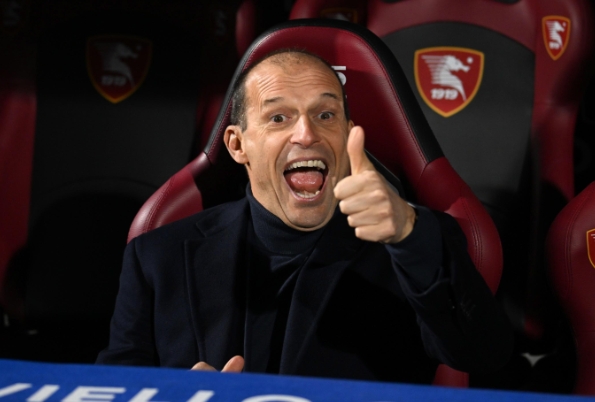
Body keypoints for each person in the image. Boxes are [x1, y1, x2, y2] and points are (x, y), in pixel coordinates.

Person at [96, 49, 513, 383]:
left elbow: (484, 356)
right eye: (279, 117)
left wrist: (409, 235)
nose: (307, 134)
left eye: (325, 115)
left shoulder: (416, 240)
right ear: (238, 145)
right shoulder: (157, 256)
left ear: (348, 132)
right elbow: (115, 386)